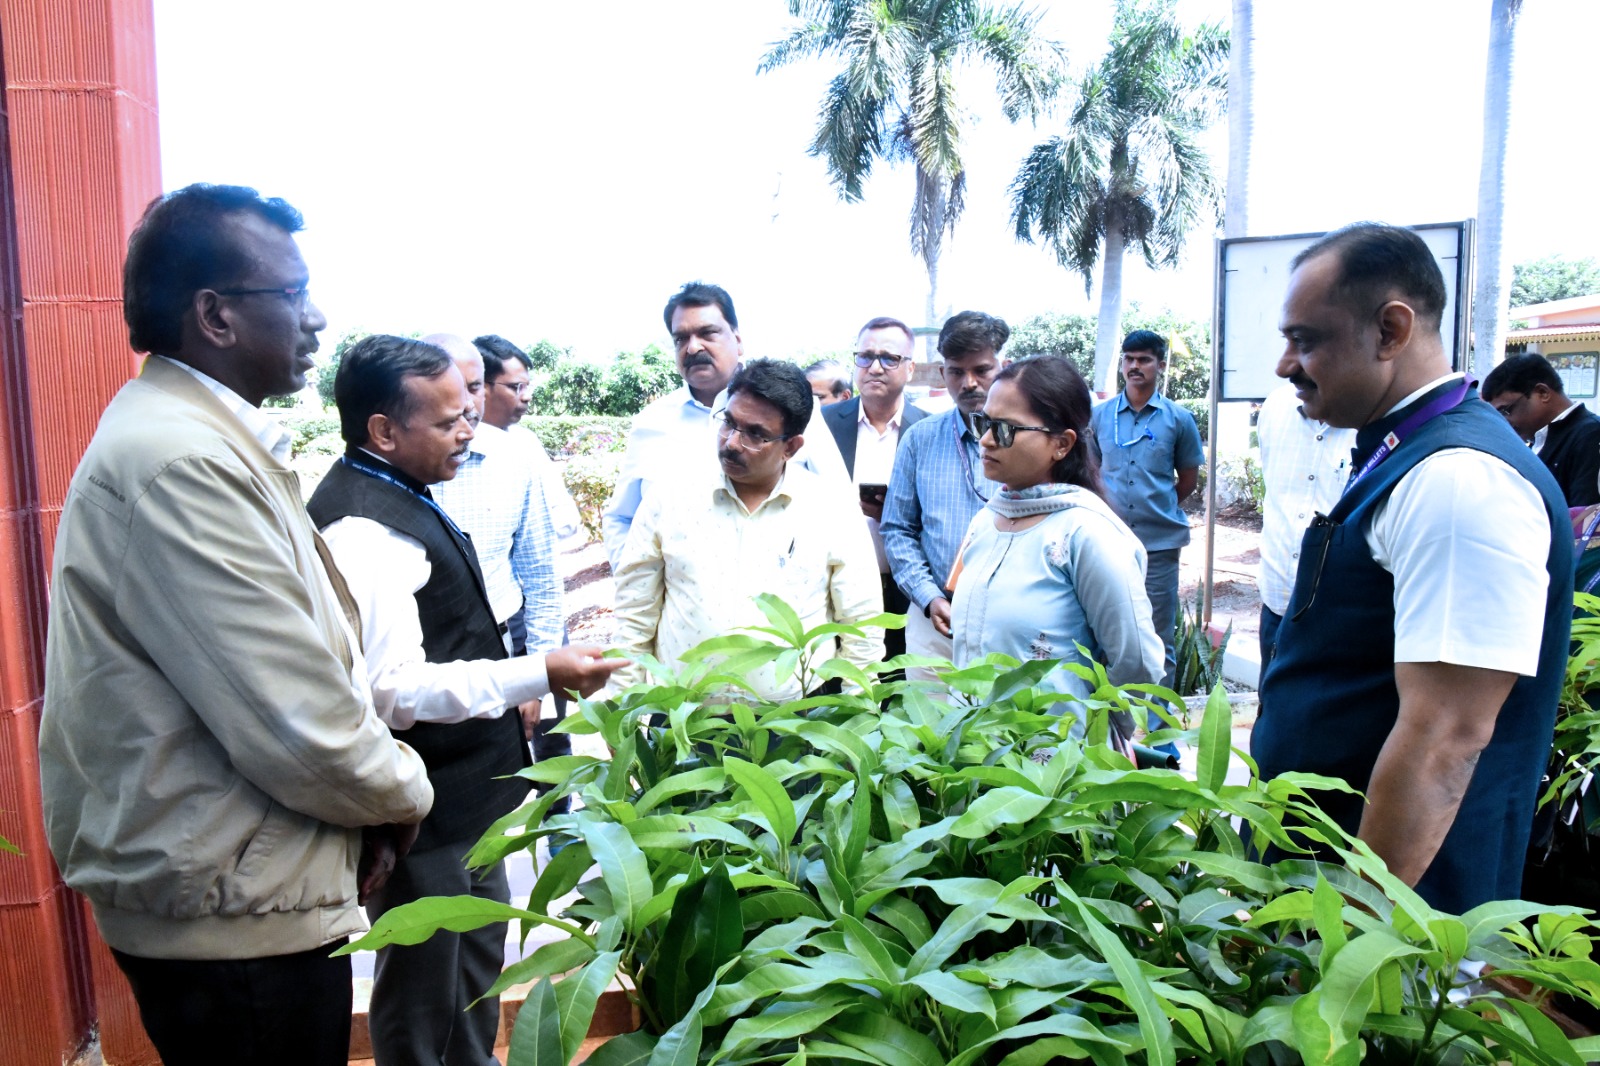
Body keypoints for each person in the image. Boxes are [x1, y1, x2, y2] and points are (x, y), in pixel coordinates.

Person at [37, 183, 435, 1066]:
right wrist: (404, 794)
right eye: (291, 295)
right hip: (235, 913)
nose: (316, 318)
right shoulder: (181, 460)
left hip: (242, 887)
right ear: (213, 315)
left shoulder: (199, 438)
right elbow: (295, 717)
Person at [308, 335, 623, 1066]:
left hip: (466, 799)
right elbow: (393, 689)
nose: (469, 431)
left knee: (474, 969)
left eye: (469, 412)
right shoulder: (364, 528)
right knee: (425, 992)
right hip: (424, 809)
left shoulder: (401, 491)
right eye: (449, 422)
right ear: (384, 432)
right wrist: (535, 671)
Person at [1253, 223, 1572, 913]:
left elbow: (1444, 740)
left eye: (1306, 340)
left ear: (1391, 330)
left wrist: (1357, 935)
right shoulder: (1402, 450)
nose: (1285, 366)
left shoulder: (1459, 480)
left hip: (1399, 926)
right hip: (1325, 890)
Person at [613, 359, 884, 700]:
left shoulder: (831, 508)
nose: (731, 443)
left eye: (755, 434)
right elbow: (634, 615)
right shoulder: (668, 499)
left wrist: (853, 718)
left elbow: (862, 624)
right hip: (684, 726)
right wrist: (623, 709)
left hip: (798, 726)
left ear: (792, 447)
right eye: (728, 422)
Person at [950, 356, 1163, 729]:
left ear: (1061, 444)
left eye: (1004, 429)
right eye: (983, 423)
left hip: (1052, 767)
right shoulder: (986, 521)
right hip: (973, 761)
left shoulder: (1086, 533)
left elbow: (1137, 662)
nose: (985, 440)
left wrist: (1099, 740)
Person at [601, 281, 848, 566]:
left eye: (707, 333)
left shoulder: (795, 410)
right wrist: (638, 583)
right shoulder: (651, 423)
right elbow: (621, 518)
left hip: (779, 602)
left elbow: (839, 506)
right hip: (680, 607)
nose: (693, 347)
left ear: (738, 339)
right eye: (680, 338)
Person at [882, 311, 1007, 674]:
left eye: (981, 370)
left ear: (1005, 367)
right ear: (942, 374)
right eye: (956, 371)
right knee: (929, 729)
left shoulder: (1032, 437)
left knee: (1006, 729)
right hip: (935, 623)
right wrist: (928, 596)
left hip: (1010, 622)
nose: (968, 383)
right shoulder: (920, 439)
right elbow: (897, 529)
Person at [1089, 330, 1205, 699]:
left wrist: (1158, 506)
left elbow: (1187, 479)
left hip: (1159, 546)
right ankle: (1110, 727)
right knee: (1104, 634)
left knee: (1158, 637)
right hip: (1107, 543)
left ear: (1161, 365)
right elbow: (1089, 474)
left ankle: (1158, 733)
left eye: (1144, 359)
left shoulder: (1179, 419)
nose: (1134, 366)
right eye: (1129, 359)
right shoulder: (1100, 417)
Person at [822, 317, 930, 660]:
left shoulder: (929, 429)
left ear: (909, 368)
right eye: (865, 356)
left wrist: (897, 514)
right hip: (834, 587)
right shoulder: (822, 424)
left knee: (904, 689)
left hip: (907, 589)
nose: (875, 367)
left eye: (889, 358)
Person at [1254, 382, 1355, 666]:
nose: (1288, 363)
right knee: (1271, 705)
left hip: (1339, 617)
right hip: (1276, 605)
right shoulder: (1276, 407)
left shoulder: (1371, 420)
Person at [474, 332, 583, 541]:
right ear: (481, 386)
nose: (527, 395)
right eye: (516, 387)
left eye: (527, 386)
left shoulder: (526, 442)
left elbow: (565, 520)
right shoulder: (457, 446)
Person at [1482, 352, 1600, 508]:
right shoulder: (1540, 440)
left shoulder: (1590, 435)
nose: (1505, 422)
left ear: (1542, 393)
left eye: (1506, 410)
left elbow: (1585, 517)